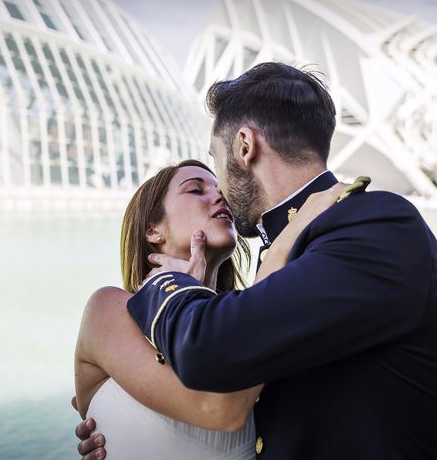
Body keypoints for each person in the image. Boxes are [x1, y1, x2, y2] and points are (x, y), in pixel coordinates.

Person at [77, 62, 437, 459]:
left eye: (215, 162)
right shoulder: (280, 267)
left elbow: (217, 365)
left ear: (245, 146)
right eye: (196, 188)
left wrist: (166, 284)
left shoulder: (375, 224)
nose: (219, 191)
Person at [73, 158, 347, 459]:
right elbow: (220, 408)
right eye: (195, 190)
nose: (220, 195)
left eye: (219, 187)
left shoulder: (244, 322)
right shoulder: (108, 309)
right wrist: (282, 247)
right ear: (153, 230)